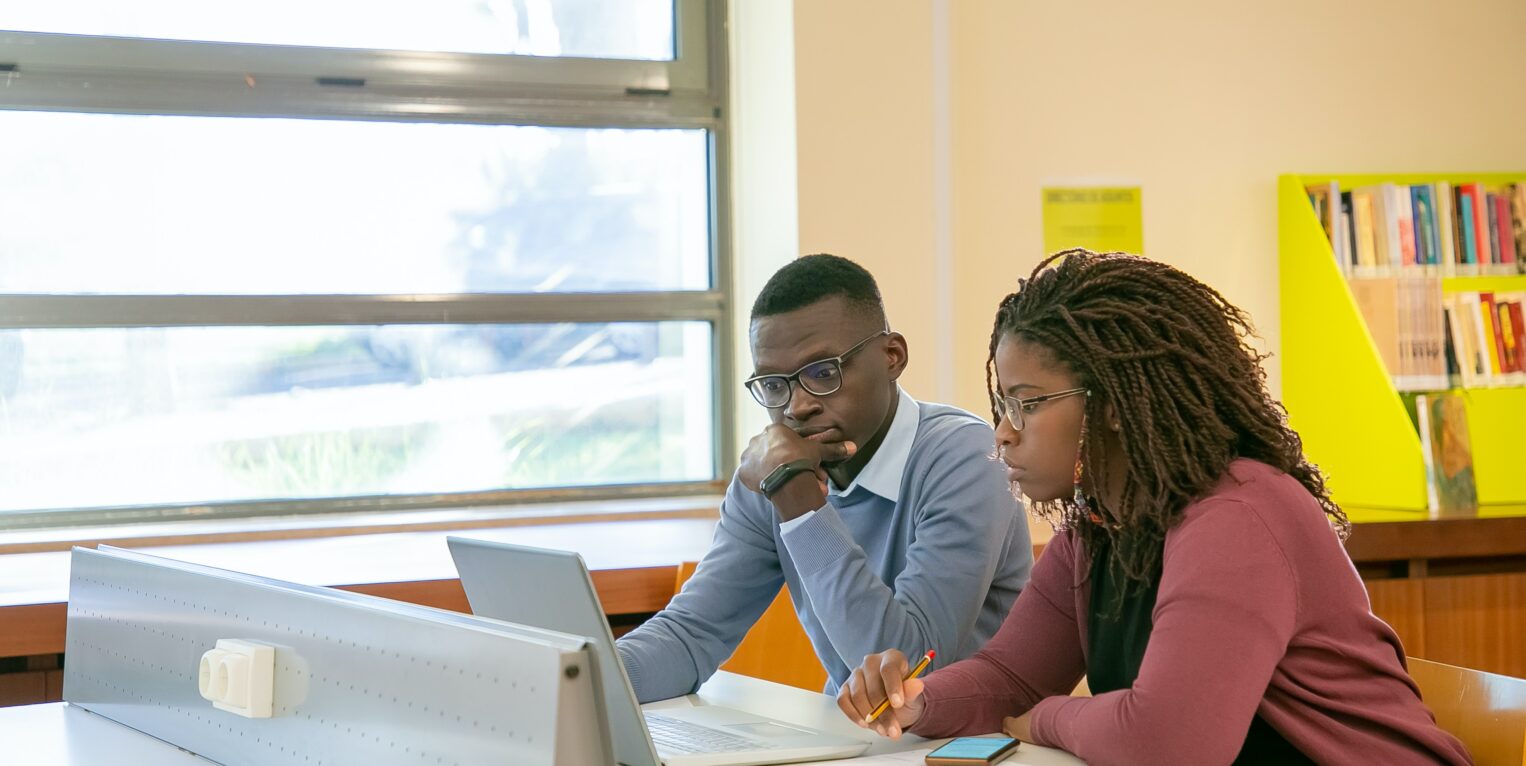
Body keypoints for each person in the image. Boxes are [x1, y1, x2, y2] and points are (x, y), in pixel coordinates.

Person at [836, 250, 1472, 765]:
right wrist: (919, 700)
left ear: (1112, 403)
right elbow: (1012, 675)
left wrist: (1044, 720)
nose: (1002, 432)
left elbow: (1170, 743)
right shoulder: (1103, 524)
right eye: (1004, 405)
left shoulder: (1238, 517)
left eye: (1026, 403)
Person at [616, 254, 1032, 702]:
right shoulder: (775, 472)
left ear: (892, 357)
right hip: (855, 743)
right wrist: (580, 680)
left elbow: (904, 673)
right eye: (774, 385)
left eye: (821, 373)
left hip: (972, 744)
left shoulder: (966, 456)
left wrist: (802, 509)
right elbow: (690, 635)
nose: (796, 407)